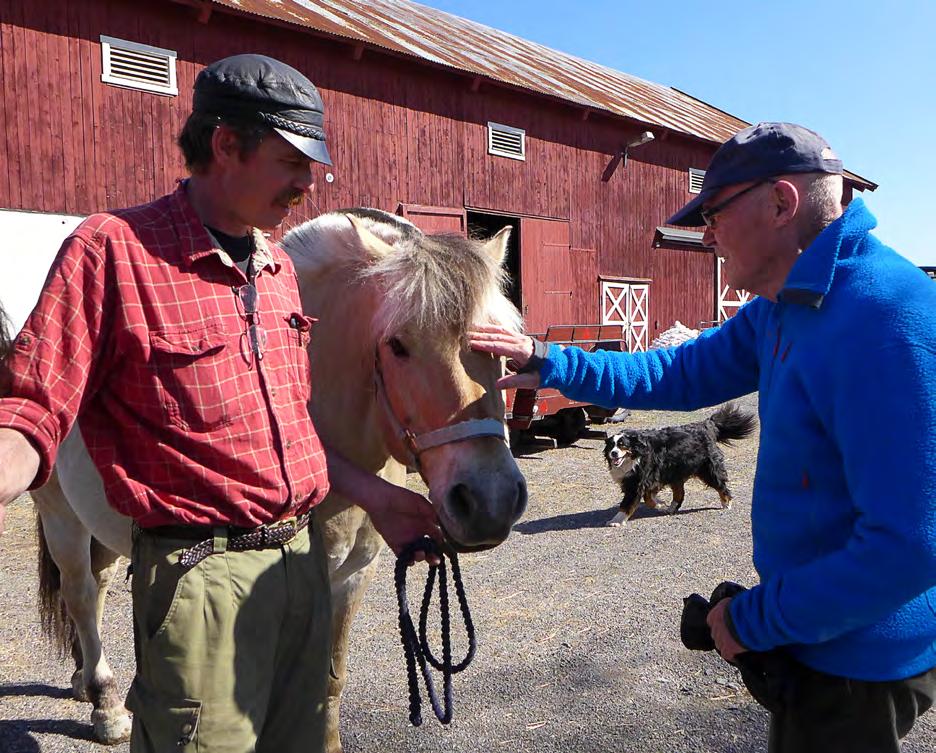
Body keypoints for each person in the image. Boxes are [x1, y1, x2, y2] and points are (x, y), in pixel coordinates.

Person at [0, 54, 440, 753]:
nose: (309, 182)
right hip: (201, 580)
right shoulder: (111, 251)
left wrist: (378, 497)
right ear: (225, 145)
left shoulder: (277, 269)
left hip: (298, 569)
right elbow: (29, 411)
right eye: (293, 160)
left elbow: (293, 431)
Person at [470, 122, 936, 752]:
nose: (707, 233)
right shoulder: (787, 300)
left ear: (780, 203)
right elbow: (683, 371)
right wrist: (552, 360)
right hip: (819, 628)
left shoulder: (884, 316)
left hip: (856, 659)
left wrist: (753, 620)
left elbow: (911, 545)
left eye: (715, 212)